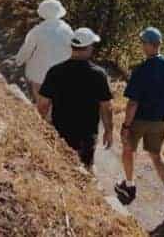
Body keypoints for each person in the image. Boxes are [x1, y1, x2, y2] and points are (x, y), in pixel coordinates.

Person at [115, 27, 164, 214]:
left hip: (139, 120)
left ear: (149, 45)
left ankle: (129, 185)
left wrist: (126, 125)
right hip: (159, 120)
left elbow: (133, 102)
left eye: (143, 43)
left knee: (128, 149)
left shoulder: (141, 70)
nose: (142, 46)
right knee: (157, 155)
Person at [37, 27, 114, 169]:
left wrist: (39, 128)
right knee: (85, 170)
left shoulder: (55, 71)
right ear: (89, 47)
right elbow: (106, 106)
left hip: (60, 131)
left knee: (62, 169)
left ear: (72, 46)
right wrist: (109, 131)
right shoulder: (98, 74)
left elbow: (43, 104)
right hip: (87, 134)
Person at [14, 0, 74, 101]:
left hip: (39, 75)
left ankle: (43, 115)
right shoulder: (67, 30)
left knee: (42, 104)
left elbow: (27, 49)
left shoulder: (37, 31)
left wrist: (18, 61)